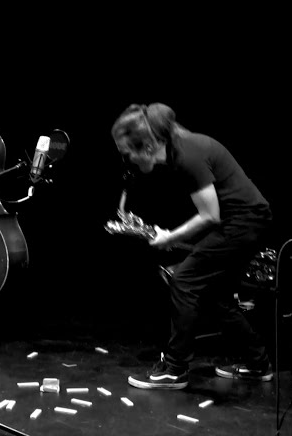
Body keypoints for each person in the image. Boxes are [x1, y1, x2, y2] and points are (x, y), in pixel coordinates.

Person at [113, 103, 274, 390]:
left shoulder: (187, 154)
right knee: (216, 296)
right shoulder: (178, 149)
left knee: (183, 280)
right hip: (243, 220)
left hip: (243, 222)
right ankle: (257, 363)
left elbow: (210, 215)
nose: (128, 161)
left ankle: (174, 369)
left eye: (127, 154)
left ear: (147, 146)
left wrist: (171, 238)